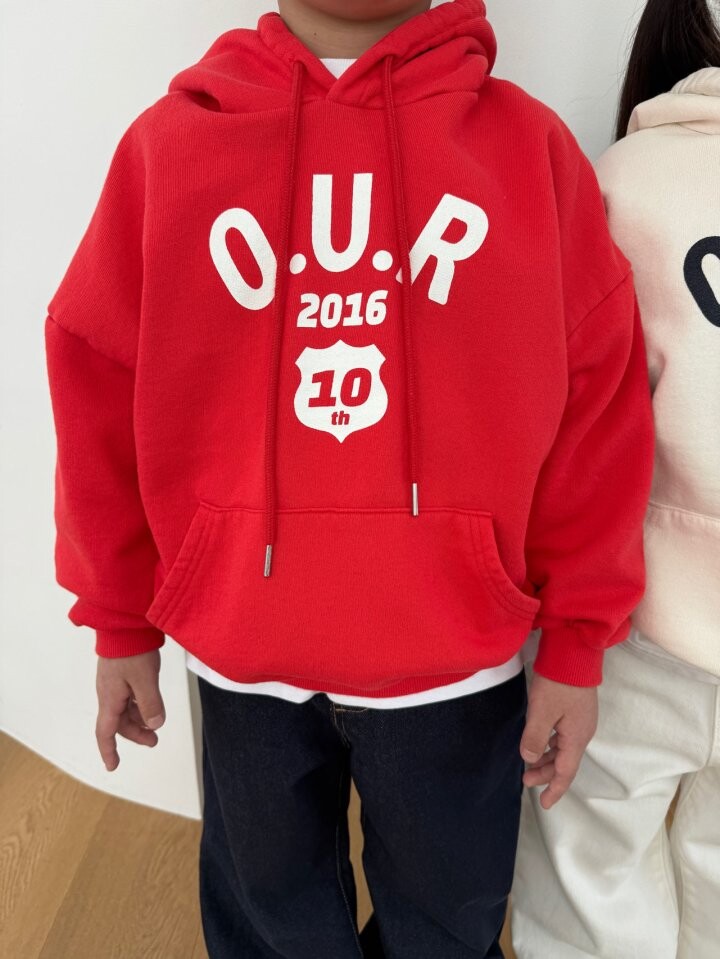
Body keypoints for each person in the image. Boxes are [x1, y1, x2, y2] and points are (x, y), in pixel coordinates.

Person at [43, 0, 654, 956]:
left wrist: (578, 640)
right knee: (270, 922)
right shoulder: (172, 149)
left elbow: (597, 407)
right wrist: (118, 617)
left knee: (446, 923)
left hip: (454, 662)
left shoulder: (527, 153)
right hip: (242, 653)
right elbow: (97, 379)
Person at [510, 1, 720, 957]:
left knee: (590, 861)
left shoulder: (623, 180)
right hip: (630, 624)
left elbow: (569, 421)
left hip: (631, 621)